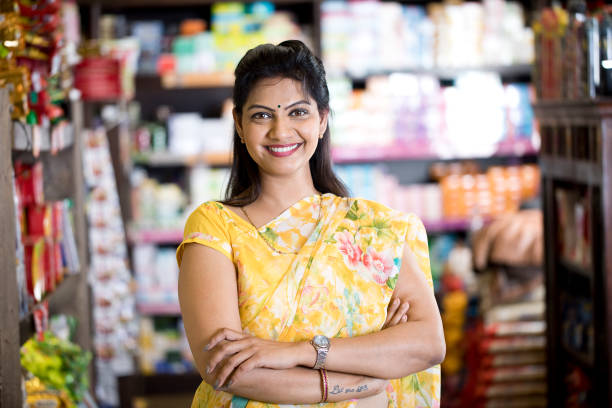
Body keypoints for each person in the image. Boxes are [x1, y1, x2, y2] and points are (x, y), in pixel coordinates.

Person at [177, 40, 445, 408]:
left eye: (298, 112)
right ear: (239, 125)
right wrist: (364, 376)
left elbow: (428, 344)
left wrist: (301, 353)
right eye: (261, 115)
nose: (280, 131)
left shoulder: (371, 227)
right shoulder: (216, 227)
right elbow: (224, 367)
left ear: (322, 120)